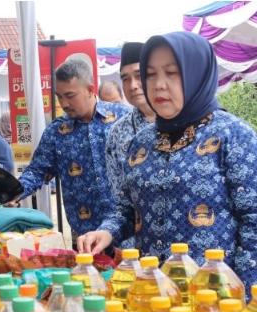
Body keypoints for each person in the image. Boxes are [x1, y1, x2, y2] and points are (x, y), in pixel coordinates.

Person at [78, 32, 257, 294]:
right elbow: (126, 208)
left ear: (196, 74)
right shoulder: (141, 142)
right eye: (150, 74)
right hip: (152, 294)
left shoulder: (233, 135)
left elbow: (254, 221)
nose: (159, 85)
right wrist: (106, 232)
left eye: (172, 73)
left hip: (214, 299)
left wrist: (247, 295)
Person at [16, 59, 130, 241]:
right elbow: (37, 171)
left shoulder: (123, 118)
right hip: (85, 240)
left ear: (90, 90)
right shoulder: (56, 132)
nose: (64, 103)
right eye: (59, 96)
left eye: (70, 95)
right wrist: (13, 191)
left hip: (128, 235)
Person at [104, 42, 156, 247]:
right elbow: (121, 202)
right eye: (126, 79)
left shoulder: (190, 125)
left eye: (139, 75)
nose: (133, 85)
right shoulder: (117, 133)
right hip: (134, 254)